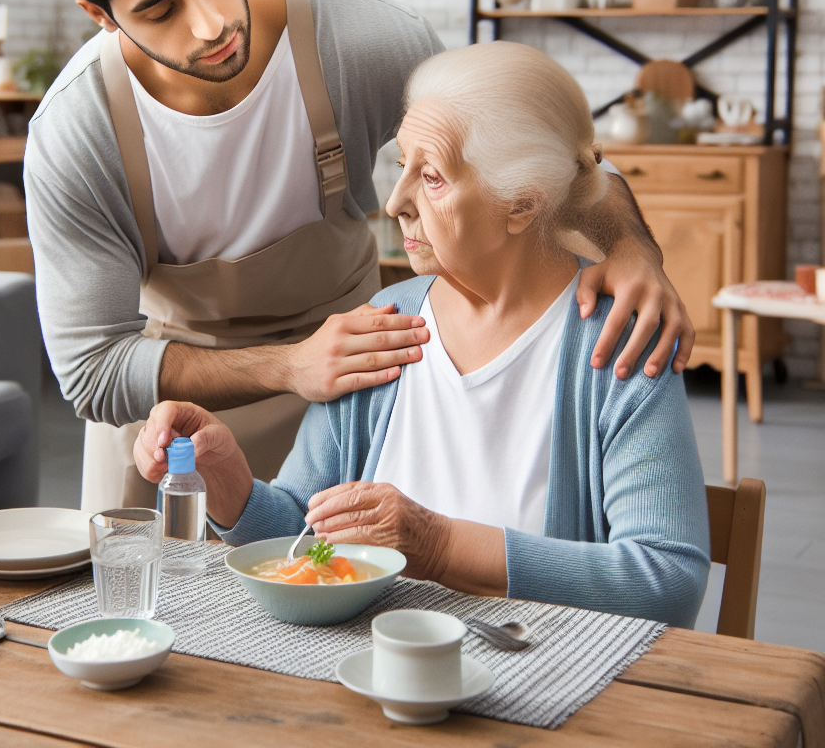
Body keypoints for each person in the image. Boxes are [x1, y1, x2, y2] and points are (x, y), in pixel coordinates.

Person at [28, 0, 695, 516]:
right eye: (160, 10)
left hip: (357, 399)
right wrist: (290, 365)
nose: (210, 24)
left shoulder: (360, 42)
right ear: (101, 15)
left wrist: (630, 245)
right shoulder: (78, 133)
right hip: (176, 432)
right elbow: (93, 371)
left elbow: (532, 154)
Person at [134, 43, 711, 627]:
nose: (395, 202)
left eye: (431, 177)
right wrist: (226, 475)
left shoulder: (617, 342)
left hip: (547, 690)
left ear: (521, 203)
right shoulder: (388, 320)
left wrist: (435, 545)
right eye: (402, 164)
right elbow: (304, 533)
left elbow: (665, 581)